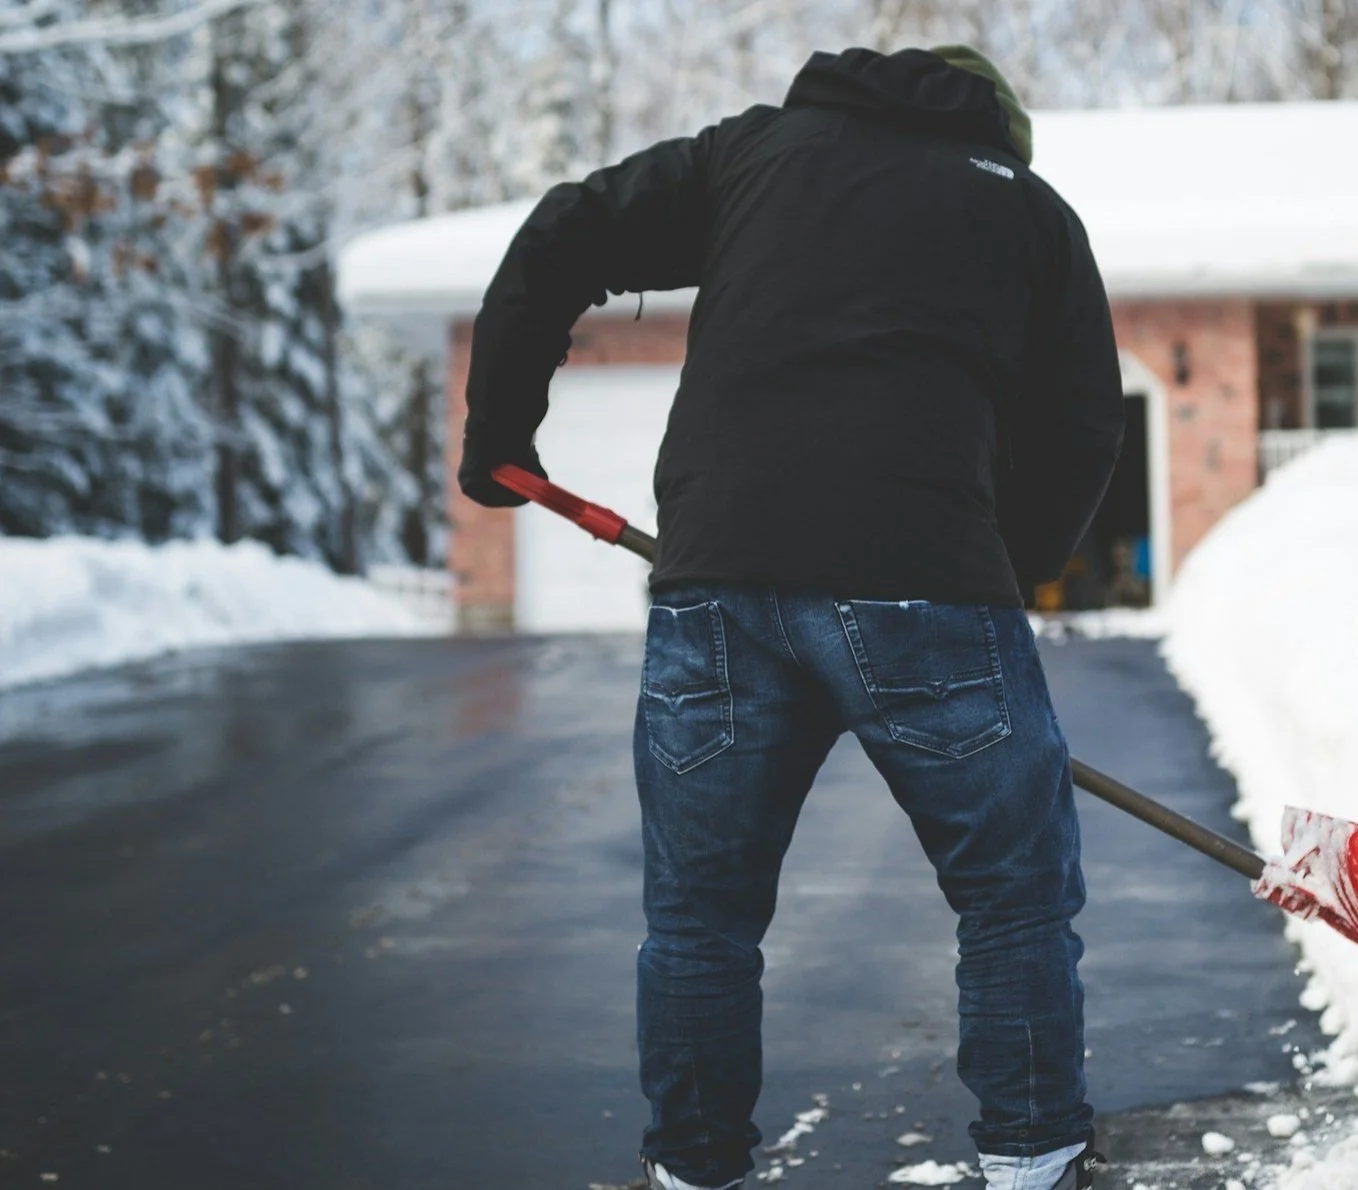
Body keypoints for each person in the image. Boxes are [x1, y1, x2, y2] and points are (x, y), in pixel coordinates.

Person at [459, 44, 1125, 1190]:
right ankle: (1032, 1157)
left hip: (719, 577)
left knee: (699, 913)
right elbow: (1081, 426)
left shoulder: (752, 156)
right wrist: (997, 574)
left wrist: (499, 426)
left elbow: (565, 228)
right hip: (924, 575)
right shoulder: (1028, 212)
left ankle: (693, 1169)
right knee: (1012, 892)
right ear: (998, 133)